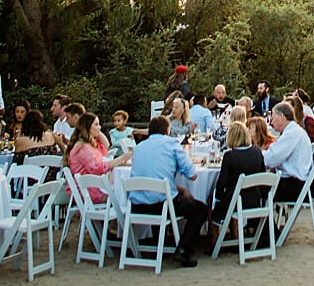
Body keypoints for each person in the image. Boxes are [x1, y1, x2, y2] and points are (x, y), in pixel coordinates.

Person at [128, 115, 206, 267]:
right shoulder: (171, 144)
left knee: (162, 195)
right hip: (162, 205)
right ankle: (184, 249)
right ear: (168, 130)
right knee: (200, 209)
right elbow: (193, 175)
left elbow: (150, 177)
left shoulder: (139, 147)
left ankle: (158, 247)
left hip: (137, 205)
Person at [211, 121, 267, 228]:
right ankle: (236, 233)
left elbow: (222, 182)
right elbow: (262, 174)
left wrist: (218, 198)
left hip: (235, 202)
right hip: (254, 199)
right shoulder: (257, 151)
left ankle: (215, 239)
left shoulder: (230, 156)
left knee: (212, 203)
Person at [67, 113, 131, 198]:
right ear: (88, 127)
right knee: (126, 193)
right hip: (88, 191)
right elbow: (98, 168)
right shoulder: (83, 147)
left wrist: (122, 162)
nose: (100, 127)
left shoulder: (87, 144)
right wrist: (122, 157)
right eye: (96, 125)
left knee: (124, 191)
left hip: (88, 188)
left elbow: (106, 147)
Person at [262, 101, 314, 203]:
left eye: (273, 118)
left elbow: (269, 160)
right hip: (299, 183)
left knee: (253, 188)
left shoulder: (291, 134)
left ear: (281, 116)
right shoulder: (295, 130)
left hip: (294, 186)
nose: (271, 122)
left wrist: (256, 154)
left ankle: (258, 218)